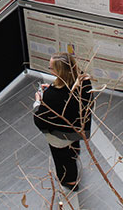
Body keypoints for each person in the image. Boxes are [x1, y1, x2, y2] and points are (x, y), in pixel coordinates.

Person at [33, 53, 92, 193]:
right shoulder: (84, 81)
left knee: (62, 159)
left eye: (51, 68)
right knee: (71, 150)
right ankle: (75, 152)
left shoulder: (52, 96)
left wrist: (38, 102)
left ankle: (70, 181)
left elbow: (40, 120)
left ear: (59, 71)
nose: (49, 69)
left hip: (60, 136)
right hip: (79, 128)